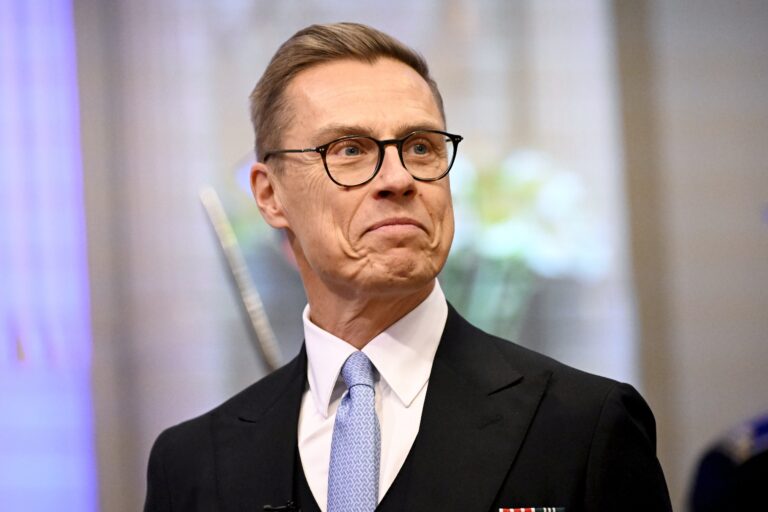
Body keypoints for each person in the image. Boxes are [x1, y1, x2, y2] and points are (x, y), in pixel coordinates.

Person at [144, 22, 672, 512]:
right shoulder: (191, 464)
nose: (398, 179)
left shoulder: (584, 426)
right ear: (269, 195)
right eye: (349, 149)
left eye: (420, 147)